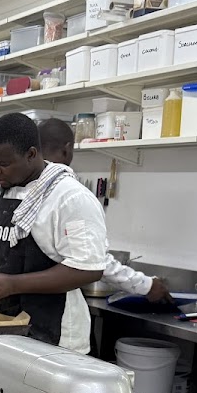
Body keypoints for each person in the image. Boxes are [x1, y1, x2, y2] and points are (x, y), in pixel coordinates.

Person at [0, 112, 107, 352]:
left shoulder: (69, 198)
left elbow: (88, 269)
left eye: (3, 164)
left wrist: (12, 284)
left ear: (31, 154)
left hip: (53, 338)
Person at [37, 118, 170, 302]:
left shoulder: (24, 188)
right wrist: (146, 285)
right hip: (55, 305)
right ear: (67, 149)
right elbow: (92, 262)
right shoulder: (71, 196)